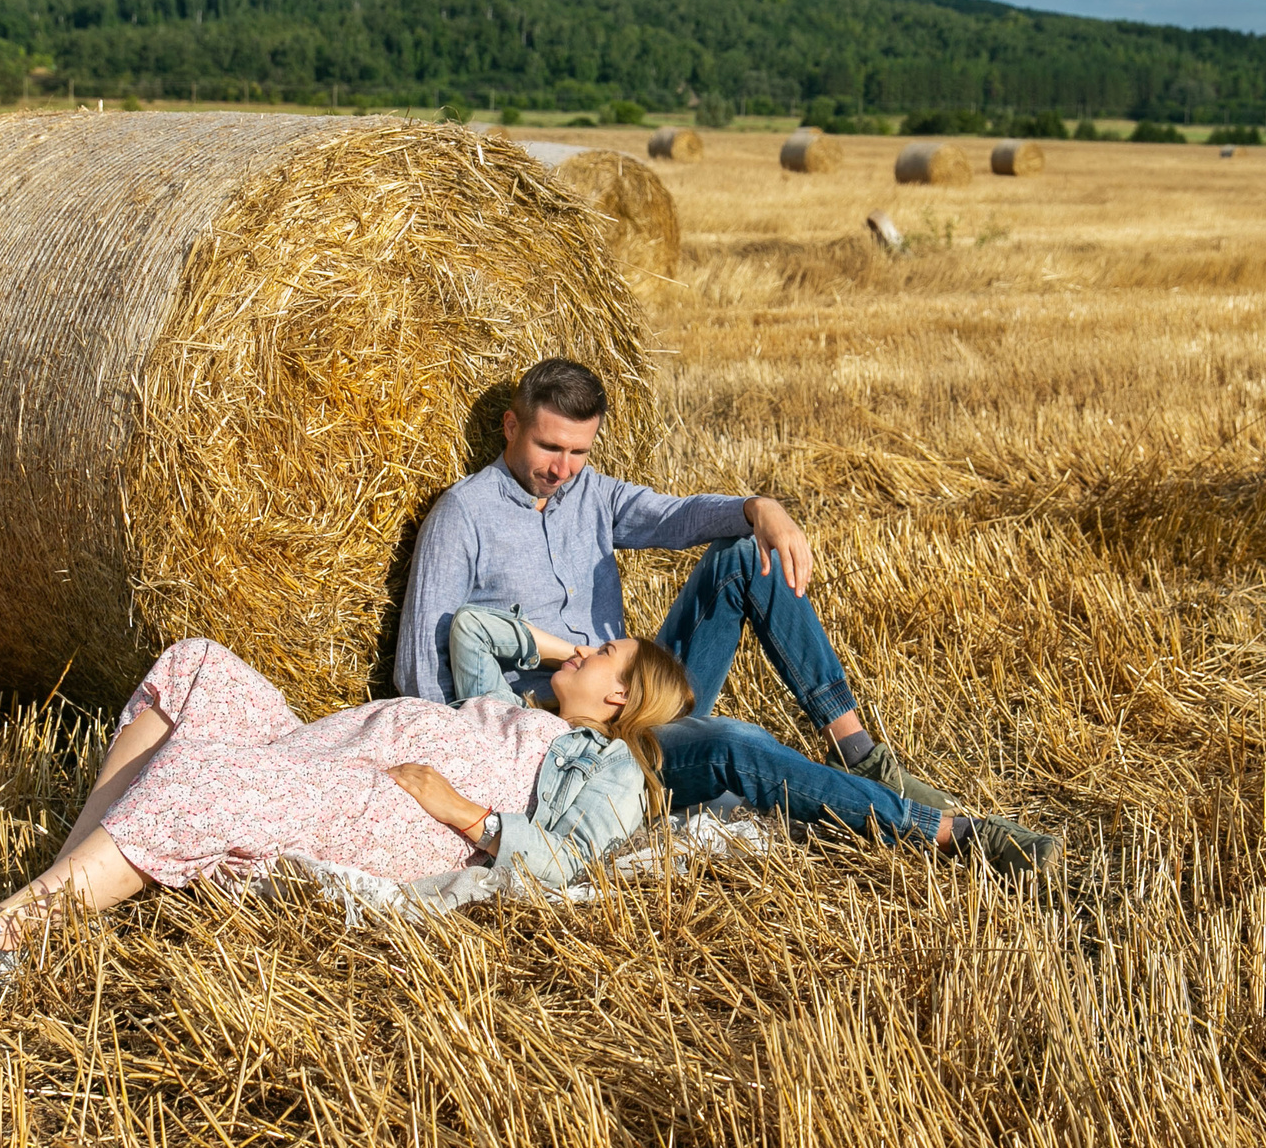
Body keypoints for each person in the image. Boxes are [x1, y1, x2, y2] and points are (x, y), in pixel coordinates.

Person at [395, 358, 1059, 874]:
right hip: (575, 742)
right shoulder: (463, 517)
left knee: (745, 555)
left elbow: (671, 516)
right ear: (512, 427)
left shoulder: (589, 493)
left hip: (636, 686)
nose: (564, 468)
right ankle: (948, 832)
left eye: (580, 452)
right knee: (736, 745)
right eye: (550, 448)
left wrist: (756, 506)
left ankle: (862, 755)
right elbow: (424, 671)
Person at [0, 625, 692, 992]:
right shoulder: (519, 703)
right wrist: (554, 654)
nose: (581, 645)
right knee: (196, 665)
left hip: (400, 814)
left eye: (602, 651)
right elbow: (476, 630)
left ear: (623, 696)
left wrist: (462, 810)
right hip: (332, 751)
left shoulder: (613, 763)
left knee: (206, 782)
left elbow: (568, 862)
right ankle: (59, 897)